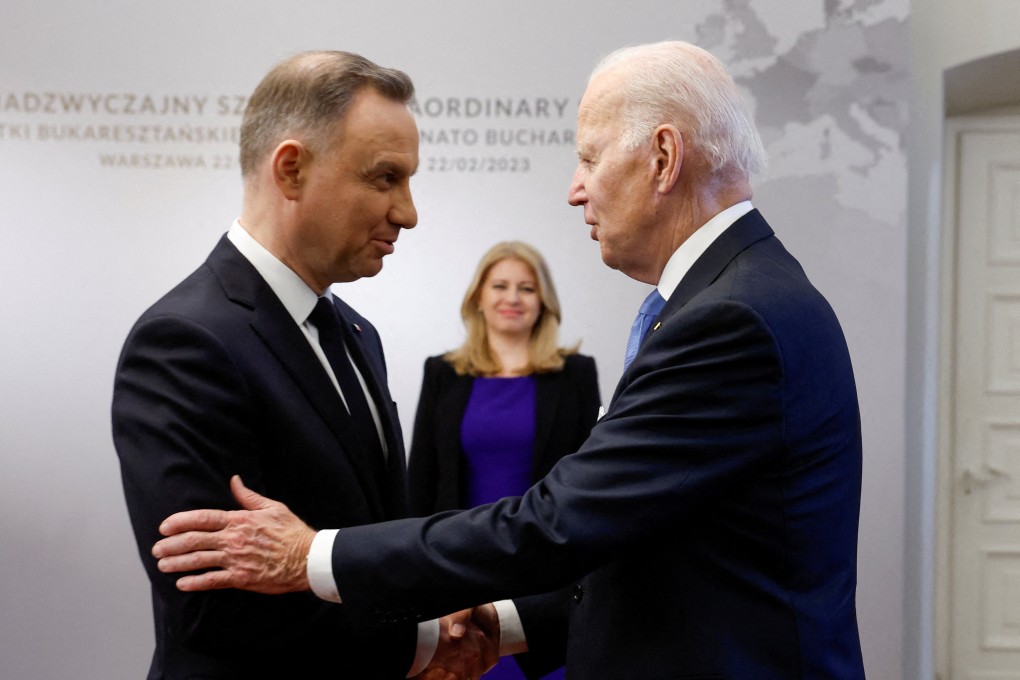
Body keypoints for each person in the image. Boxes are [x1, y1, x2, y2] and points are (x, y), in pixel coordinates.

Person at [152, 40, 866, 679]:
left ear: (662, 158)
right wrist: (509, 623)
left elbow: (561, 521)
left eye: (589, 156)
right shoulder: (729, 298)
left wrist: (307, 558)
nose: (575, 187)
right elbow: (649, 540)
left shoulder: (729, 320)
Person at [112, 50, 494, 680]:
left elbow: (372, 537)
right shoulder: (185, 341)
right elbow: (212, 605)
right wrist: (419, 642)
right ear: (291, 169)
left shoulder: (355, 334)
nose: (408, 212)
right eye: (384, 178)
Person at [408, 241, 600, 679]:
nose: (512, 298)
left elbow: (591, 482)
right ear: (479, 296)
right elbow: (420, 480)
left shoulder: (576, 374)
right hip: (459, 573)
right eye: (500, 286)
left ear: (543, 302)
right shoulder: (443, 373)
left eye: (526, 288)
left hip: (545, 576)